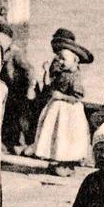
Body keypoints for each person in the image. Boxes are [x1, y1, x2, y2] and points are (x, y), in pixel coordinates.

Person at [31, 31, 92, 163]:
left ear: (75, 61)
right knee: (53, 131)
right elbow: (49, 85)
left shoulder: (75, 76)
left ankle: (66, 160)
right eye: (60, 58)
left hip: (68, 110)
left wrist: (61, 96)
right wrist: (47, 71)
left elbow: (77, 97)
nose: (60, 62)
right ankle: (55, 157)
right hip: (56, 107)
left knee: (66, 134)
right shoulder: (60, 73)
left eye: (64, 59)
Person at [0, 20, 35, 155]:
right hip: (9, 89)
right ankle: (8, 143)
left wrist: (30, 88)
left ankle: (24, 144)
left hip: (20, 90)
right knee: (8, 117)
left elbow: (29, 70)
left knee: (21, 117)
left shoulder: (16, 52)